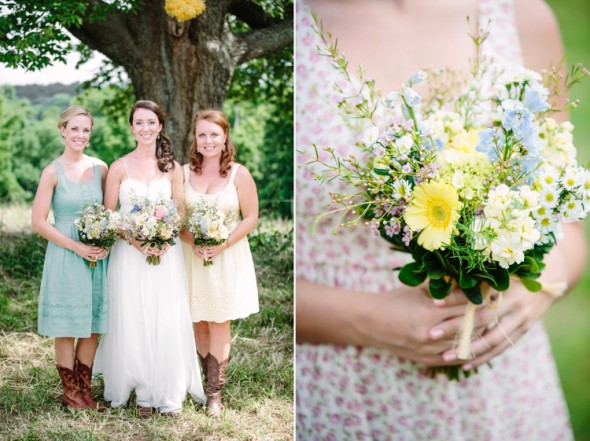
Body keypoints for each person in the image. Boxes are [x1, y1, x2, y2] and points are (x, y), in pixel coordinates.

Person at [296, 0, 587, 439]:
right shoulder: (290, 25)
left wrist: (535, 288)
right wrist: (367, 319)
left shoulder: (520, 14)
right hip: (341, 385)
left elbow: (567, 222)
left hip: (504, 385)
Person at [93, 100, 205, 418]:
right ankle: (142, 392)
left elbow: (179, 210)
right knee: (132, 317)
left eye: (150, 122)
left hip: (165, 255)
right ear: (131, 128)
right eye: (139, 123)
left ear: (159, 126)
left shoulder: (172, 168)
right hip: (129, 256)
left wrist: (165, 238)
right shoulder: (119, 167)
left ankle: (166, 391)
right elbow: (110, 215)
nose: (145, 128)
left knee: (164, 316)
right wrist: (135, 240)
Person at [181, 109, 259, 417]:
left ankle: (215, 393)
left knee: (218, 321)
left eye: (214, 134)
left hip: (227, 256)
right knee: (198, 319)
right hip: (192, 256)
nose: (208, 140)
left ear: (225, 137)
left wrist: (222, 243)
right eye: (202, 134)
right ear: (195, 139)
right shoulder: (183, 173)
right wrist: (194, 242)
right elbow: (178, 220)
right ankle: (203, 383)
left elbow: (250, 217)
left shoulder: (239, 173)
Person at [31, 105, 109, 411]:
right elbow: (38, 221)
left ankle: (85, 390)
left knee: (92, 324)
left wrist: (105, 242)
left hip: (96, 257)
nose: (80, 134)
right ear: (62, 130)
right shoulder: (52, 171)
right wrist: (76, 247)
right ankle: (70, 393)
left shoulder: (101, 168)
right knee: (67, 324)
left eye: (85, 130)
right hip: (66, 254)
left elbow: (109, 213)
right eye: (74, 128)